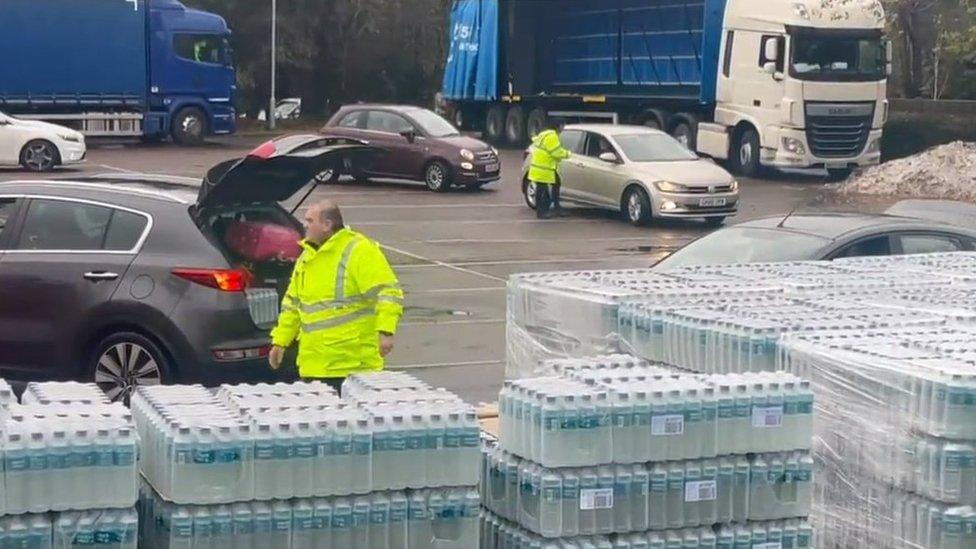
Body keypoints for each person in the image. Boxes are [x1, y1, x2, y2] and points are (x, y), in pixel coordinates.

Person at [268, 200, 403, 395]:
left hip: (352, 367)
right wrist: (280, 342)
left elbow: (388, 291)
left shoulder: (358, 250)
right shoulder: (308, 257)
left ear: (327, 225)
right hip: (314, 366)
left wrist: (386, 331)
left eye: (310, 220)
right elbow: (292, 306)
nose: (304, 224)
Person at [528, 127, 571, 218]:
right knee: (542, 189)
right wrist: (568, 154)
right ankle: (541, 212)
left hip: (540, 167)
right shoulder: (552, 136)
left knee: (555, 184)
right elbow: (556, 153)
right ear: (560, 126)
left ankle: (556, 208)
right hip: (544, 168)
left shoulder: (544, 134)